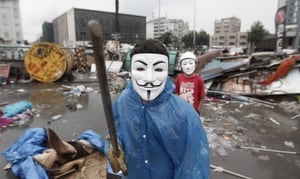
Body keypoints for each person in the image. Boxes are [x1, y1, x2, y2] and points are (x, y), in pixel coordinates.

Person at [109, 39, 210, 178]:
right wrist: (113, 148)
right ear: (130, 70)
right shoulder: (124, 101)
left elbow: (191, 167)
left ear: (167, 71)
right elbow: (117, 134)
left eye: (158, 69)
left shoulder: (184, 114)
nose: (149, 78)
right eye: (140, 68)